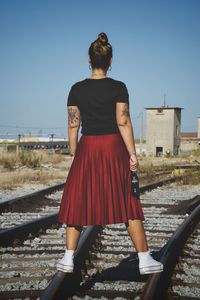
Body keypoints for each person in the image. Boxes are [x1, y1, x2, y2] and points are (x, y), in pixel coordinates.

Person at [56, 32, 163, 275]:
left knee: (77, 199)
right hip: (114, 148)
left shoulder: (76, 89)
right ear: (110, 62)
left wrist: (74, 154)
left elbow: (73, 125)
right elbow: (123, 122)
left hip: (89, 147)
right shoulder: (118, 87)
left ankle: (68, 257)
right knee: (128, 199)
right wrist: (132, 153)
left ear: (89, 60)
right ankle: (145, 259)